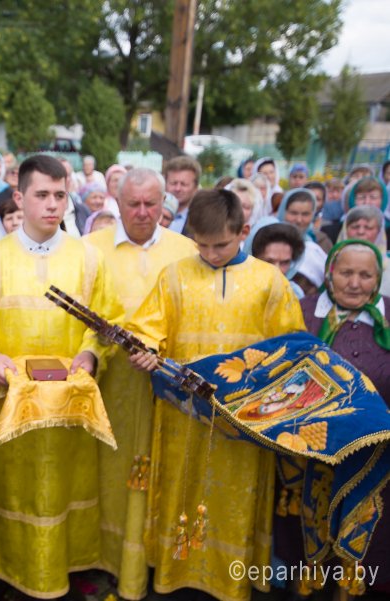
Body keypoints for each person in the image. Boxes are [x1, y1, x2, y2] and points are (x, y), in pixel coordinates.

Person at [0, 154, 124, 598]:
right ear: (19, 197)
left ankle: (66, 565)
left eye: (60, 195)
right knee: (8, 487)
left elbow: (105, 322)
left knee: (62, 487)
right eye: (42, 194)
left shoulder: (89, 259)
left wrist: (90, 354)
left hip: (67, 411)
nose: (52, 204)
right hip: (7, 405)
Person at [127, 188, 304, 601]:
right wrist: (145, 350)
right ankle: (175, 577)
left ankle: (231, 581)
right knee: (180, 490)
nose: (210, 254)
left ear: (243, 231)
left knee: (234, 502)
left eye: (220, 245)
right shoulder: (174, 275)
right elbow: (147, 328)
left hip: (242, 421)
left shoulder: (269, 281)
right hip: (182, 415)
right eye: (201, 245)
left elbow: (292, 346)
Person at [84, 168, 197, 600]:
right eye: (134, 204)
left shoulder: (186, 251)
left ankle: (153, 563)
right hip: (107, 386)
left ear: (165, 203)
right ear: (117, 202)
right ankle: (102, 559)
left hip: (164, 391)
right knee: (106, 475)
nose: (144, 212)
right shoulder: (90, 249)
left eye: (152, 203)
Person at [278, 240, 390, 594]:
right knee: (306, 533)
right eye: (346, 273)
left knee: (371, 538)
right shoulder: (304, 312)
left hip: (375, 453)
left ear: (378, 279)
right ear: (329, 273)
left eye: (365, 275)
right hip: (310, 450)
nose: (354, 283)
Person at [246, 218, 307, 297]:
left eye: (284, 263)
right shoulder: (237, 289)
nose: (277, 270)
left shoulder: (295, 294)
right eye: (269, 261)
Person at [277, 188, 333, 253]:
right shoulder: (270, 240)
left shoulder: (321, 242)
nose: (299, 220)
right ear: (283, 212)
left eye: (305, 214)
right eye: (293, 213)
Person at [163, 156, 201, 234]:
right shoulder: (152, 214)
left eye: (184, 184)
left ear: (196, 187)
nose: (178, 189)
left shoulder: (201, 219)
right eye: (173, 183)